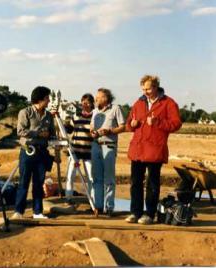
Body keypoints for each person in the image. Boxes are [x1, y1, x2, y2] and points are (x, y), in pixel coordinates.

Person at [125, 75, 182, 225]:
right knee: (135, 182)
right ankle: (135, 212)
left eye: (148, 89)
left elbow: (176, 124)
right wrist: (132, 123)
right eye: (143, 89)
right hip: (137, 149)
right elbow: (128, 125)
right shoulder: (138, 103)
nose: (146, 92)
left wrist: (158, 122)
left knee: (152, 184)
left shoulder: (168, 103)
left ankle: (149, 214)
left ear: (156, 86)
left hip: (155, 150)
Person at [12, 86, 56, 219]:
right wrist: (38, 133)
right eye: (47, 98)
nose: (49, 101)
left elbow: (52, 133)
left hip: (42, 153)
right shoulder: (25, 112)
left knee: (39, 183)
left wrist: (51, 136)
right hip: (28, 152)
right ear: (40, 99)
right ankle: (19, 212)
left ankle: (38, 212)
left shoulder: (48, 115)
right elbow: (20, 131)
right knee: (23, 182)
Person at [90, 88, 125, 217]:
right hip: (95, 145)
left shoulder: (116, 109)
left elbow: (123, 126)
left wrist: (109, 131)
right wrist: (92, 132)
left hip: (109, 146)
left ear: (105, 98)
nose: (96, 99)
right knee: (96, 178)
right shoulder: (95, 111)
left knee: (109, 178)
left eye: (98, 97)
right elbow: (92, 127)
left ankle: (109, 207)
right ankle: (98, 207)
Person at [64, 94, 95, 204]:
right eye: (83, 102)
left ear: (92, 104)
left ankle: (92, 199)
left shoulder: (94, 117)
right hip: (75, 151)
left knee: (91, 177)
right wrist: (64, 122)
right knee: (70, 175)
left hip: (89, 151)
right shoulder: (76, 116)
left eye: (87, 103)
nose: (85, 105)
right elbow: (69, 130)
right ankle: (68, 197)